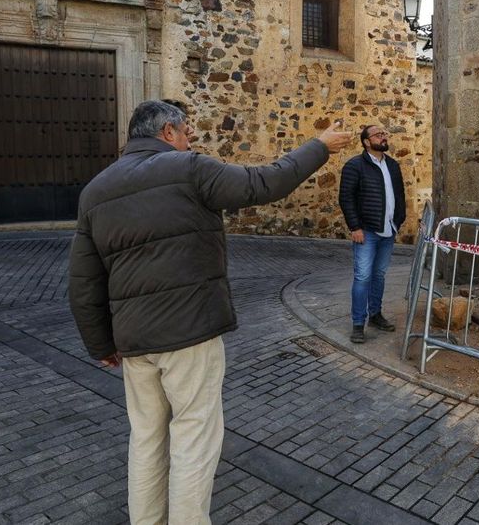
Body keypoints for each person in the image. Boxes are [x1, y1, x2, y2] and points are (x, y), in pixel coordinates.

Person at [68, 100, 354, 524]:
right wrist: (319, 146)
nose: (189, 140)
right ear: (168, 131)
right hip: (189, 335)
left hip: (133, 342)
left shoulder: (95, 191)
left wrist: (100, 344)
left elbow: (83, 281)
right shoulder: (189, 169)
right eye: (186, 133)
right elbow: (263, 183)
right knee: (193, 437)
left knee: (146, 438)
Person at [338, 124, 407, 344]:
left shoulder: (393, 166)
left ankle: (375, 315)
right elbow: (346, 198)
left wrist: (398, 221)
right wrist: (355, 227)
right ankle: (358, 324)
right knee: (362, 277)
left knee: (379, 276)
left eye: (384, 134)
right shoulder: (355, 166)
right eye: (378, 134)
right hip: (366, 231)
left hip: (388, 230)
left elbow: (400, 196)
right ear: (367, 141)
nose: (383, 137)